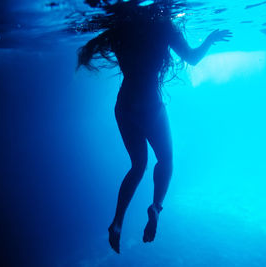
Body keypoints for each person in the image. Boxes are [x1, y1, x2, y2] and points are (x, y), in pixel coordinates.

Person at [77, 0, 231, 254]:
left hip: (124, 106)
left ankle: (117, 222)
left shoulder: (120, 27)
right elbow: (192, 58)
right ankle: (156, 207)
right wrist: (210, 39)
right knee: (167, 161)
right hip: (149, 105)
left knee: (137, 165)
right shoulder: (163, 25)